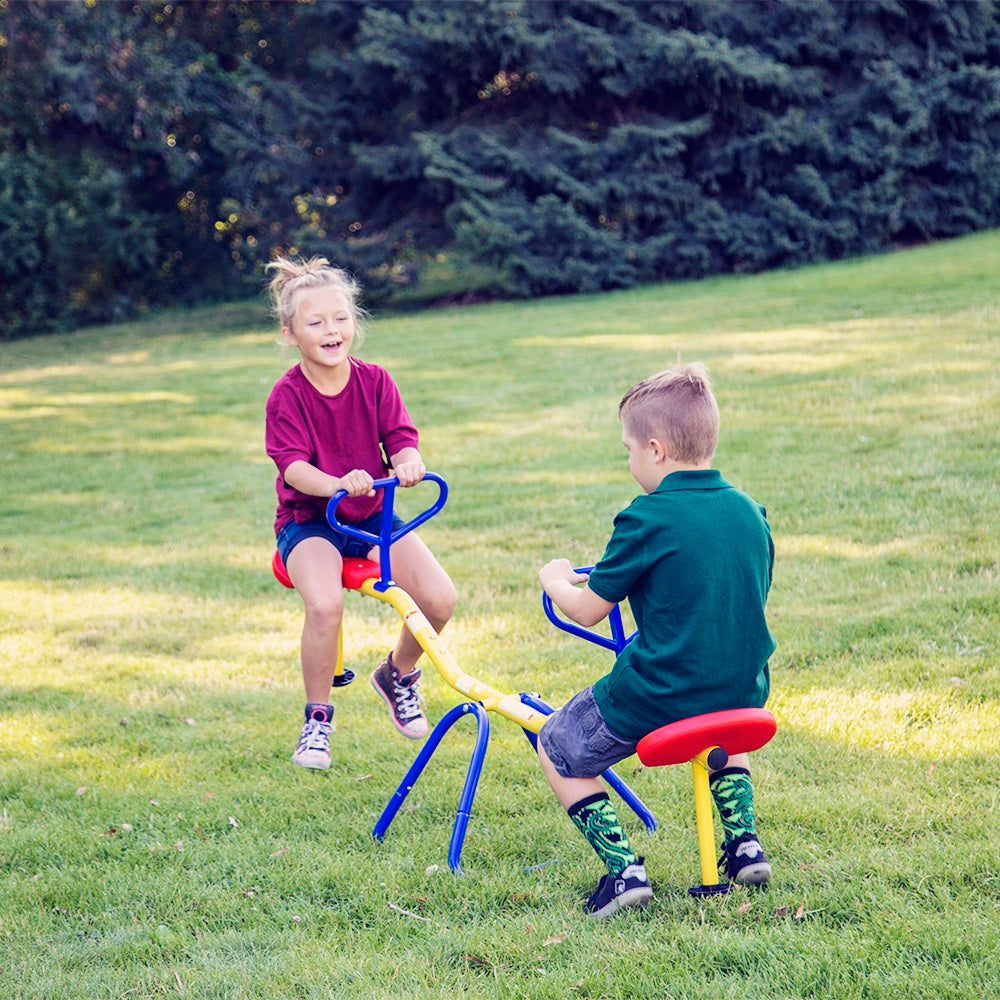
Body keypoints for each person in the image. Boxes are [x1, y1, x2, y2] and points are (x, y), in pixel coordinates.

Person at [537, 362, 775, 918]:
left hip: (658, 693)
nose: (629, 461)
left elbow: (589, 610)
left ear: (656, 450)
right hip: (743, 689)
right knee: (720, 719)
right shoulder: (750, 513)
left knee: (557, 745)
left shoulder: (645, 518)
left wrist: (554, 579)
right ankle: (743, 845)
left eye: (628, 449)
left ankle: (624, 873)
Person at [264, 256, 457, 771]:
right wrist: (337, 484)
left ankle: (397, 673)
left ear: (354, 322)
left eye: (341, 318)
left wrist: (409, 461)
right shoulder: (288, 395)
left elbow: (401, 438)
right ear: (290, 334)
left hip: (372, 514)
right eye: (316, 322)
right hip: (311, 523)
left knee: (439, 600)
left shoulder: (374, 381)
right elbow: (294, 469)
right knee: (325, 606)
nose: (332, 330)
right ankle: (318, 720)